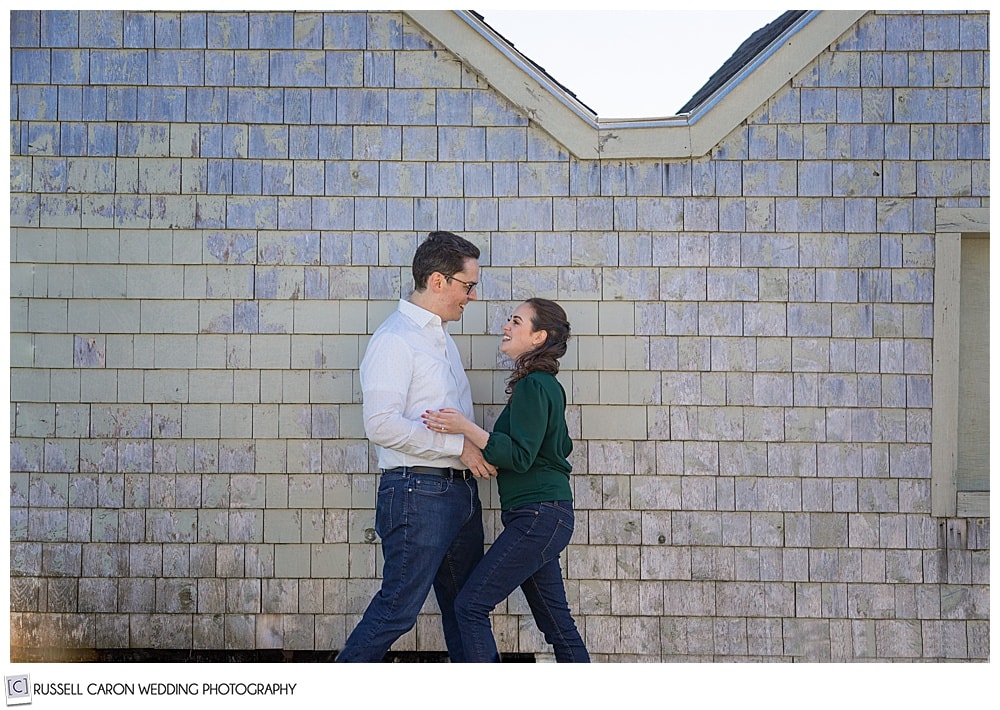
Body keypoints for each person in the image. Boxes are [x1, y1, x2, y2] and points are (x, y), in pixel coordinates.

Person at [336, 231, 497, 663]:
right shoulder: (396, 339)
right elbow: (381, 425)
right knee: (397, 611)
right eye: (469, 285)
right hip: (417, 494)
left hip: (459, 494)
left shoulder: (440, 339)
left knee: (468, 609)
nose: (473, 296)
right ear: (439, 281)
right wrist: (457, 447)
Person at [422, 298, 589, 663]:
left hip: (538, 517)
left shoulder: (534, 386)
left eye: (516, 321)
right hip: (545, 516)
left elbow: (520, 455)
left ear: (538, 336)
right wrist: (489, 454)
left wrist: (465, 428)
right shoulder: (546, 386)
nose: (506, 326)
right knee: (558, 626)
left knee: (469, 605)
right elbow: (547, 450)